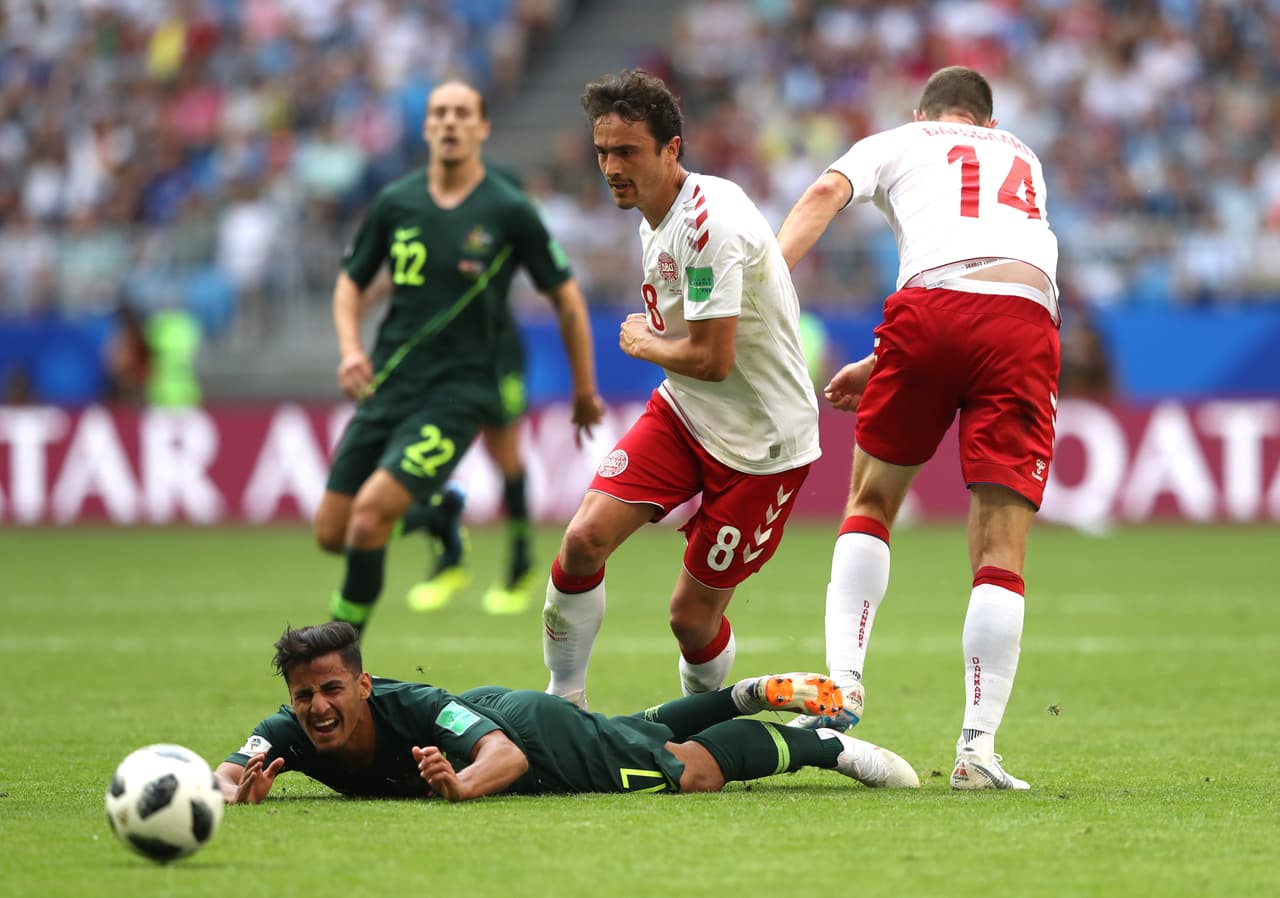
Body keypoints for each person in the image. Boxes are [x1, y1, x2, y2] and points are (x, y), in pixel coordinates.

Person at [775, 66, 1061, 791]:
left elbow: (823, 197)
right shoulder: (1023, 156)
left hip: (928, 316)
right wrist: (881, 360)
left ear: (922, 111)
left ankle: (842, 690)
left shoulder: (898, 138)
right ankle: (978, 749)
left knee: (870, 503)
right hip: (1025, 322)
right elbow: (988, 273)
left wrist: (766, 288)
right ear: (988, 124)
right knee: (1002, 546)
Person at [541, 69, 821, 709]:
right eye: (603, 152)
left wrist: (643, 345)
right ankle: (564, 706)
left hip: (763, 446)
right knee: (583, 541)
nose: (611, 166)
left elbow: (712, 358)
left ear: (671, 150)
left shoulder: (707, 224)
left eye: (628, 152)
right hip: (687, 414)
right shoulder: (654, 213)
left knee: (689, 619)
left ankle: (702, 723)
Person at [314, 80, 605, 638]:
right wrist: (351, 348)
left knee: (372, 516)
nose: (449, 122)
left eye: (461, 113)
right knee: (333, 531)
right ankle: (438, 518)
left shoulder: (508, 208)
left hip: (461, 389)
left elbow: (566, 298)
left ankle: (335, 654)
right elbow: (351, 284)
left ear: (482, 127)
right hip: (389, 381)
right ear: (426, 127)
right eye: (439, 113)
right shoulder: (396, 202)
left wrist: (584, 388)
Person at [214, 622, 918, 803]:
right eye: (305, 695)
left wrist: (458, 786)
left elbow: (507, 759)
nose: (318, 707)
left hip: (526, 736)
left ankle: (820, 747)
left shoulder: (415, 708)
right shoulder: (290, 732)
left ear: (363, 686)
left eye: (332, 690)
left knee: (686, 774)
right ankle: (738, 695)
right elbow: (221, 777)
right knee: (622, 737)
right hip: (501, 721)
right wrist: (232, 794)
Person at [356, 164, 556, 617]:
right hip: (439, 359)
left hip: (496, 354)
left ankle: (519, 563)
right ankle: (447, 547)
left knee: (504, 454)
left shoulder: (506, 226)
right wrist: (367, 295)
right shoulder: (444, 224)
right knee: (417, 455)